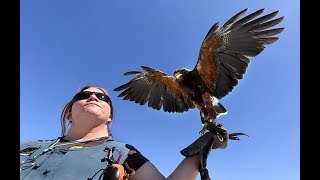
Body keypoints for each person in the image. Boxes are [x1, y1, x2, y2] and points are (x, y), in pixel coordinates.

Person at [20, 85, 229, 180]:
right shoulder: (28, 148)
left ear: (110, 116)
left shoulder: (123, 153)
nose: (93, 97)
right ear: (69, 115)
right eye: (85, 95)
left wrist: (198, 154)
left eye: (103, 98)